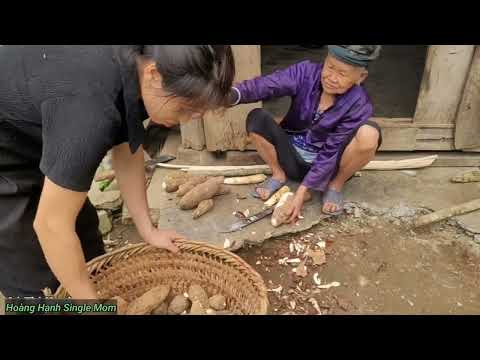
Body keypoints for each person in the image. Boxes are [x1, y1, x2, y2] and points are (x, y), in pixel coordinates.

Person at [0, 45, 235, 298]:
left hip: (42, 125)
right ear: (154, 75)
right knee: (34, 280)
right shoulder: (90, 111)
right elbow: (51, 225)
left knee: (86, 244)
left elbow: (127, 144)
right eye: (185, 109)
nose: (189, 119)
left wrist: (148, 230)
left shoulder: (138, 64)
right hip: (7, 151)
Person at [230, 45, 382, 221]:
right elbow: (270, 84)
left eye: (342, 73)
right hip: (291, 156)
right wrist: (234, 94)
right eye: (330, 67)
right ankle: (279, 174)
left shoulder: (359, 103)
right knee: (257, 118)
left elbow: (332, 150)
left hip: (328, 166)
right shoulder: (306, 72)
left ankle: (334, 186)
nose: (332, 78)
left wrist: (301, 193)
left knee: (369, 134)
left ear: (360, 77)